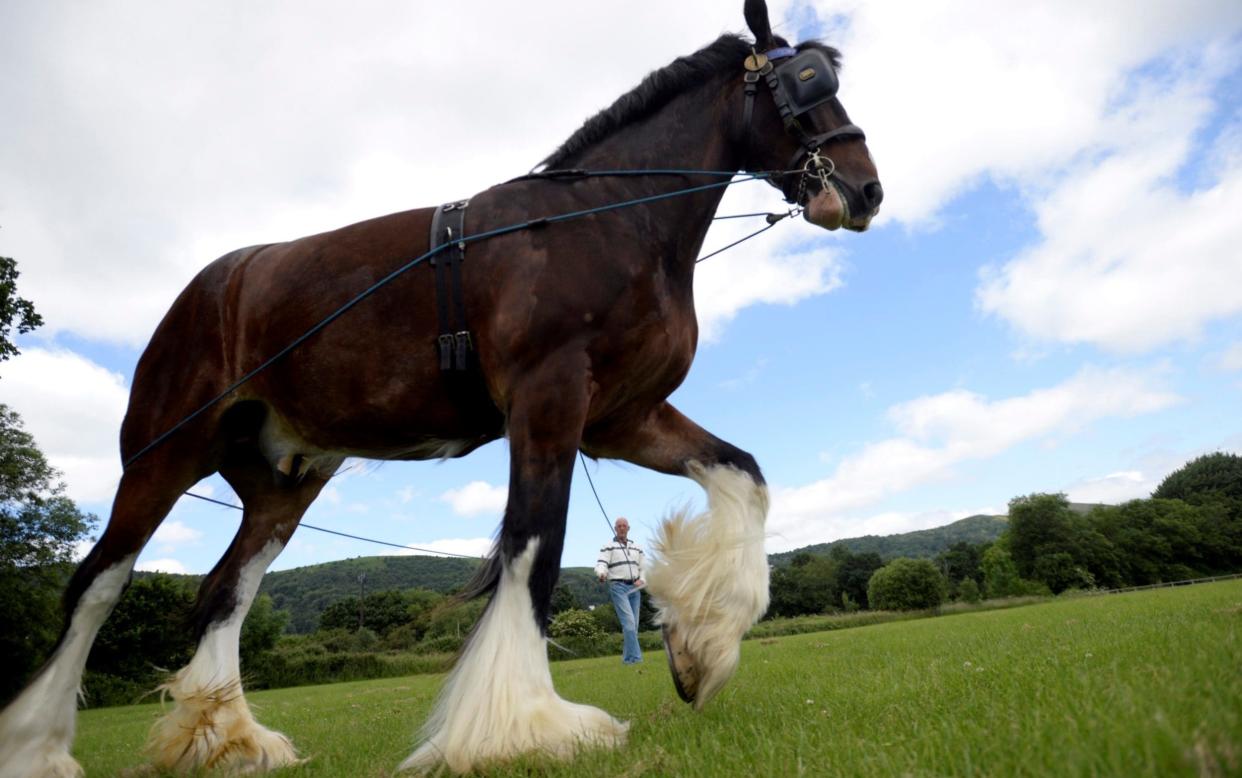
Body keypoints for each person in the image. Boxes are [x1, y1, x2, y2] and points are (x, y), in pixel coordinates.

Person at [594, 517, 646, 664]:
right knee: (629, 624)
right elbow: (601, 563)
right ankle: (636, 659)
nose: (622, 528)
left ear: (628, 528)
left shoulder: (637, 547)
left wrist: (642, 579)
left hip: (635, 588)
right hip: (619, 587)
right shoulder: (608, 546)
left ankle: (627, 659)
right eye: (619, 526)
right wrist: (601, 573)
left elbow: (644, 567)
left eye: (624, 526)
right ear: (615, 528)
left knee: (633, 628)